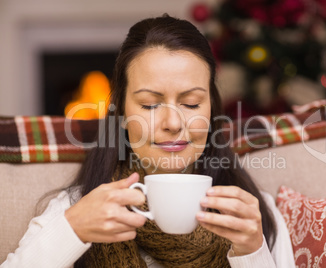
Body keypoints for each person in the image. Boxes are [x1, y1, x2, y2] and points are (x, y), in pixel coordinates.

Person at [1, 14, 295, 268]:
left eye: (191, 104)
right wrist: (71, 230)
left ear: (211, 111)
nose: (173, 124)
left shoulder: (254, 214)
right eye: (150, 105)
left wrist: (253, 252)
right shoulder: (78, 207)